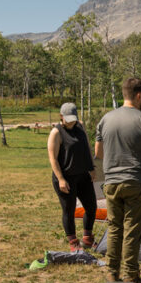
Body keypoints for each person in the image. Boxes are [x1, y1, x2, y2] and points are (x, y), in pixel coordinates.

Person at [94, 77, 141, 283]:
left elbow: (99, 153)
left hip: (111, 182)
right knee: (132, 229)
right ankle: (131, 274)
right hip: (136, 181)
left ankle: (111, 273)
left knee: (115, 227)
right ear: (138, 95)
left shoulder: (105, 119)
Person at [48, 102, 97, 251]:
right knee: (69, 210)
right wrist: (61, 179)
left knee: (91, 206)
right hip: (66, 178)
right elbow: (53, 158)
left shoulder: (80, 127)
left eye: (73, 118)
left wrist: (92, 167)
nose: (71, 121)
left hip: (83, 175)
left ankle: (87, 238)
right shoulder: (56, 133)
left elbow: (87, 147)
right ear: (61, 117)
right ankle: (73, 242)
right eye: (68, 119)